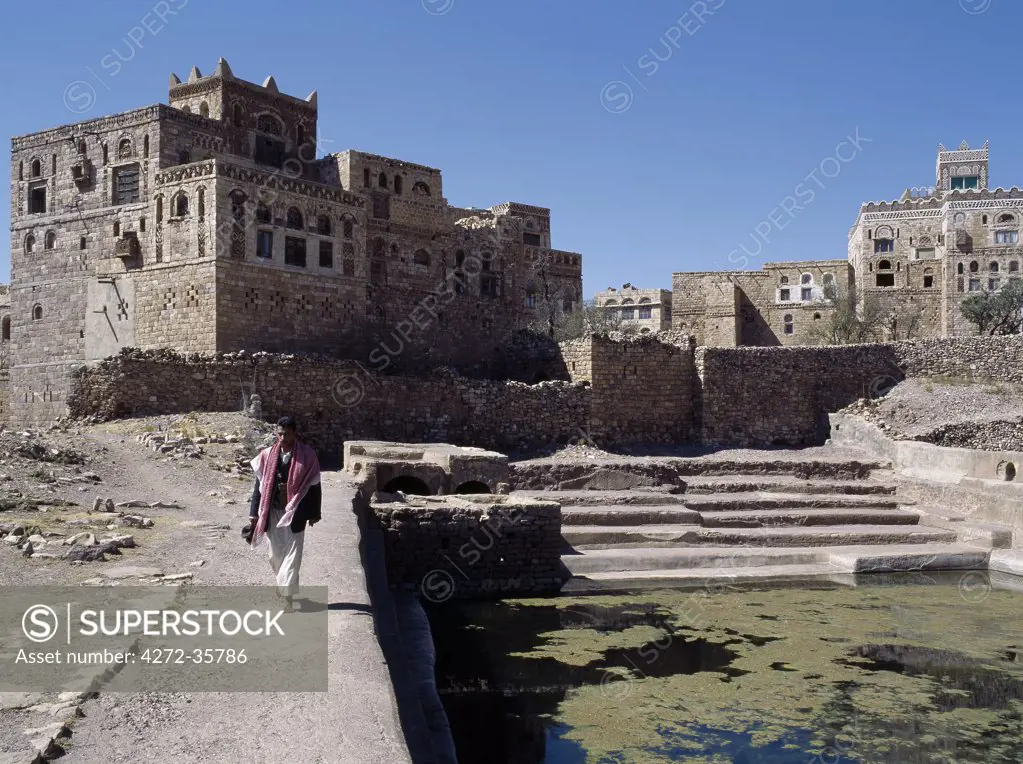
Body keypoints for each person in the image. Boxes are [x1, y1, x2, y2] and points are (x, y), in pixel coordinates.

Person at [245, 416, 321, 610]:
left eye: (287, 433)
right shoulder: (267, 455)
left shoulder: (307, 456)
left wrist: (314, 513)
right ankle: (283, 584)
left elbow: (314, 486)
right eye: (279, 433)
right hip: (273, 512)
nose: (283, 437)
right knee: (275, 554)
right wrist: (254, 514)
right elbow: (259, 487)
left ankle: (288, 600)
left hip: (297, 512)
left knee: (293, 555)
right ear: (275, 433)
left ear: (294, 433)